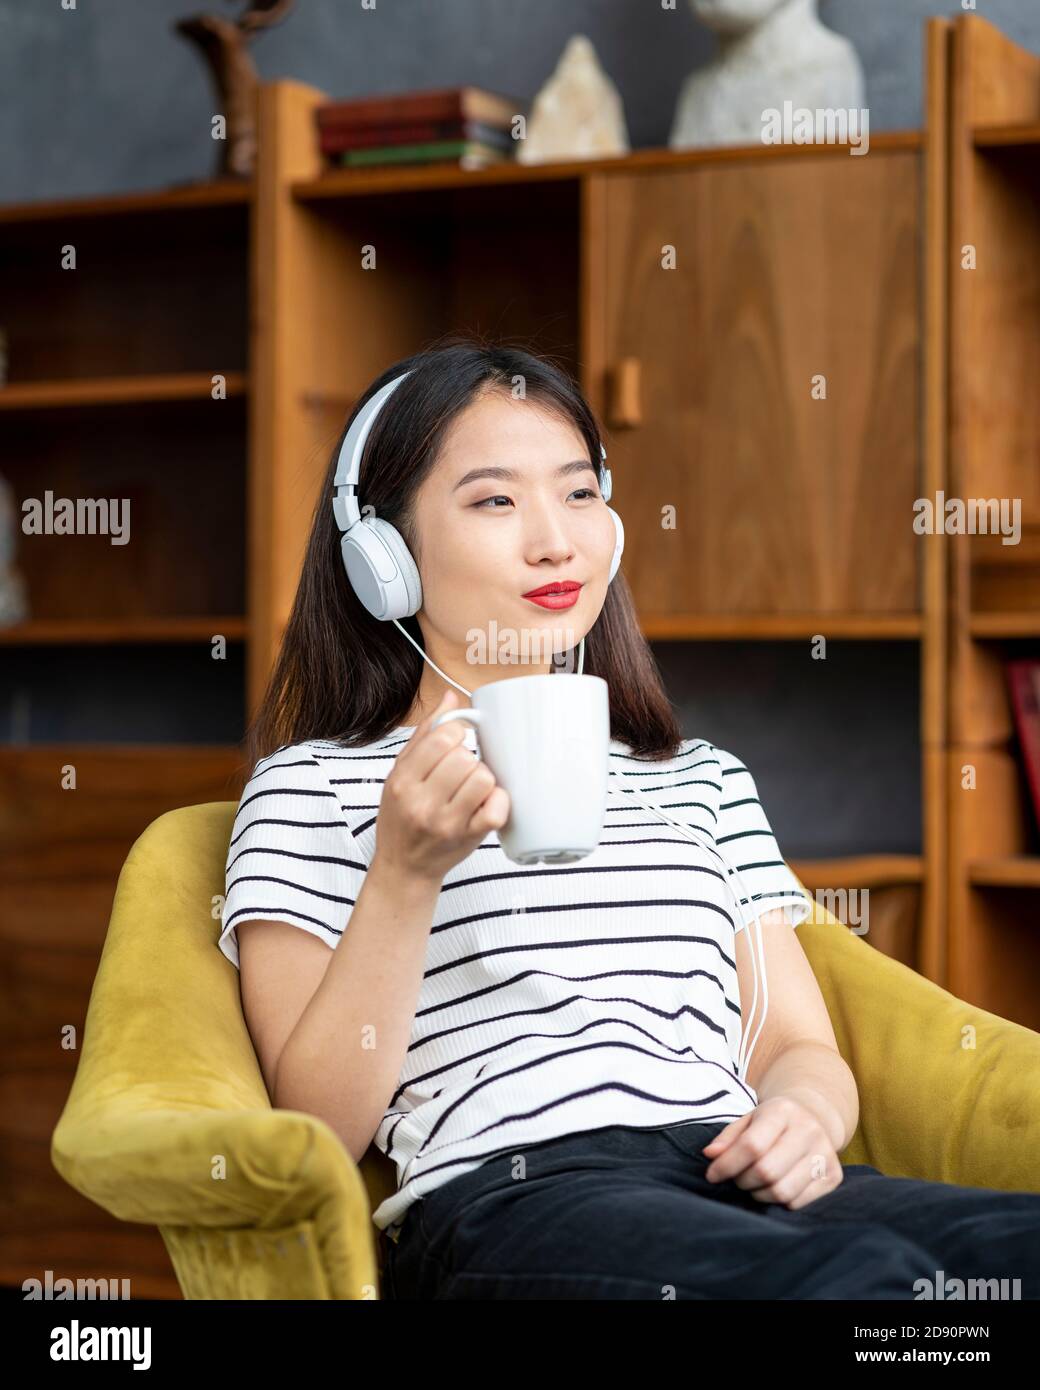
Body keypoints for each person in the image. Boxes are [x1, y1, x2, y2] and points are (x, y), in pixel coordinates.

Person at [218, 336, 1040, 1300]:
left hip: (733, 1171)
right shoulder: (315, 788)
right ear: (383, 559)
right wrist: (404, 877)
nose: (555, 539)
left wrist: (805, 1118)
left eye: (578, 493)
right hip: (521, 1197)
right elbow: (314, 1131)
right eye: (494, 500)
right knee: (861, 1285)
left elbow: (794, 1045)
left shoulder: (699, 778)